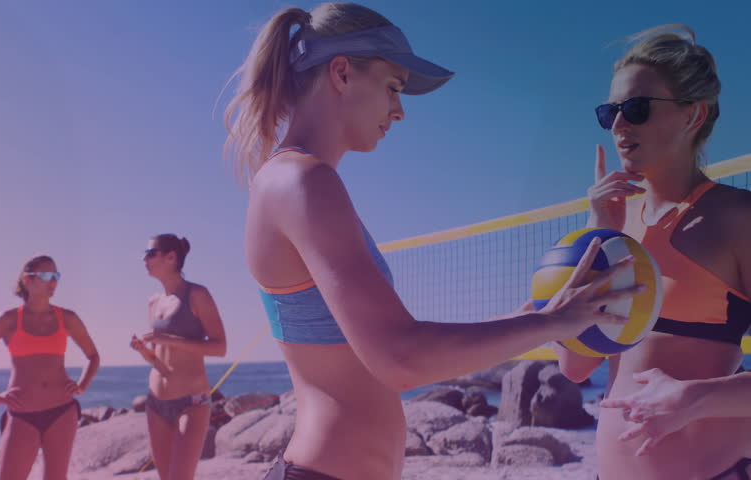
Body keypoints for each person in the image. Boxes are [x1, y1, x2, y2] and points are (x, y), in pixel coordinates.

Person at [224, 3, 642, 479]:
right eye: (393, 87)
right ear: (341, 72)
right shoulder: (302, 182)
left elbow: (394, 348)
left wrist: (531, 315)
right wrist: (551, 322)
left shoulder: (293, 180)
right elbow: (400, 357)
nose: (399, 111)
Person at [554, 25, 751, 480]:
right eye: (610, 112)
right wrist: (598, 236)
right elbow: (575, 367)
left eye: (636, 109)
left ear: (692, 116)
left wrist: (695, 398)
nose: (619, 125)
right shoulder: (612, 223)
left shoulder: (737, 218)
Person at [0, 255, 100, 480]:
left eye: (56, 276)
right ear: (27, 280)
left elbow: (93, 356)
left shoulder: (67, 318)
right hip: (22, 414)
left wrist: (82, 386)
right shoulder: (8, 319)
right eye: (47, 276)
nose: (53, 282)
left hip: (62, 411)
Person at [130, 233, 227, 480]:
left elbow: (220, 347)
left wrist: (170, 340)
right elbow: (159, 359)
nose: (144, 259)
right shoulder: (153, 302)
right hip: (156, 403)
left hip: (191, 403)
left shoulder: (197, 294)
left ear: (171, 257)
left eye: (150, 253)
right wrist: (144, 351)